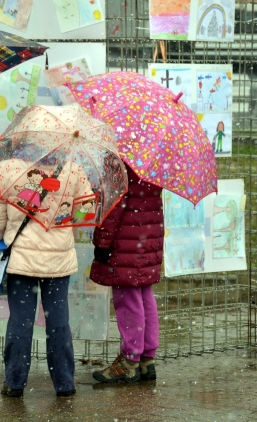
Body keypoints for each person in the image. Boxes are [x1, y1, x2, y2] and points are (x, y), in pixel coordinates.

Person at [0, 160, 93, 398]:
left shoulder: (7, 170)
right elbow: (86, 211)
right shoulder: (74, 168)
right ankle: (64, 383)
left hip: (21, 259)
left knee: (20, 320)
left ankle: (14, 381)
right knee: (59, 320)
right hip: (58, 261)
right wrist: (62, 216)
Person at [90, 162, 164, 383]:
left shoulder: (118, 160)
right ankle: (146, 359)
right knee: (143, 294)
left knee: (127, 299)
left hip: (125, 241)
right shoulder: (152, 159)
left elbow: (113, 207)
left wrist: (102, 242)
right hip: (147, 239)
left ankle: (129, 361)